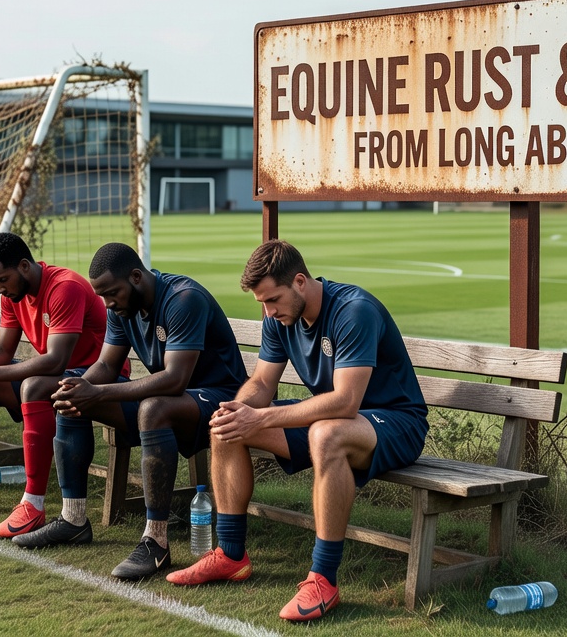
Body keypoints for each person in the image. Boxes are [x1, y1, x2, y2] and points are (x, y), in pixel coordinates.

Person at [167, 240, 429, 623]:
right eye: (262, 303)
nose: (268, 311)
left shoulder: (354, 311)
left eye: (272, 300)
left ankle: (323, 578)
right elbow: (261, 383)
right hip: (334, 420)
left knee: (326, 434)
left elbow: (345, 403)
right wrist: (241, 409)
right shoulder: (280, 317)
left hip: (396, 422)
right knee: (226, 426)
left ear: (301, 281)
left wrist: (262, 419)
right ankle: (231, 555)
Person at [19, 242, 246, 582]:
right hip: (177, 400)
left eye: (113, 293)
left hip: (220, 399)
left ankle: (156, 541)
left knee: (152, 408)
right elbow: (106, 365)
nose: (109, 303)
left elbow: (174, 379)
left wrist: (96, 391)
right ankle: (73, 520)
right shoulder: (120, 308)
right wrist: (78, 387)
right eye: (104, 296)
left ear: (137, 277)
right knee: (72, 397)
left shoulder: (183, 299)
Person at [0, 232, 123, 538]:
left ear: (24, 266)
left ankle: (33, 504)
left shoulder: (64, 288)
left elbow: (55, 361)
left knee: (32, 386)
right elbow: (2, 350)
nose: (0, 289)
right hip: (58, 374)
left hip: (97, 376)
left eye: (3, 279)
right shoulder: (15, 294)